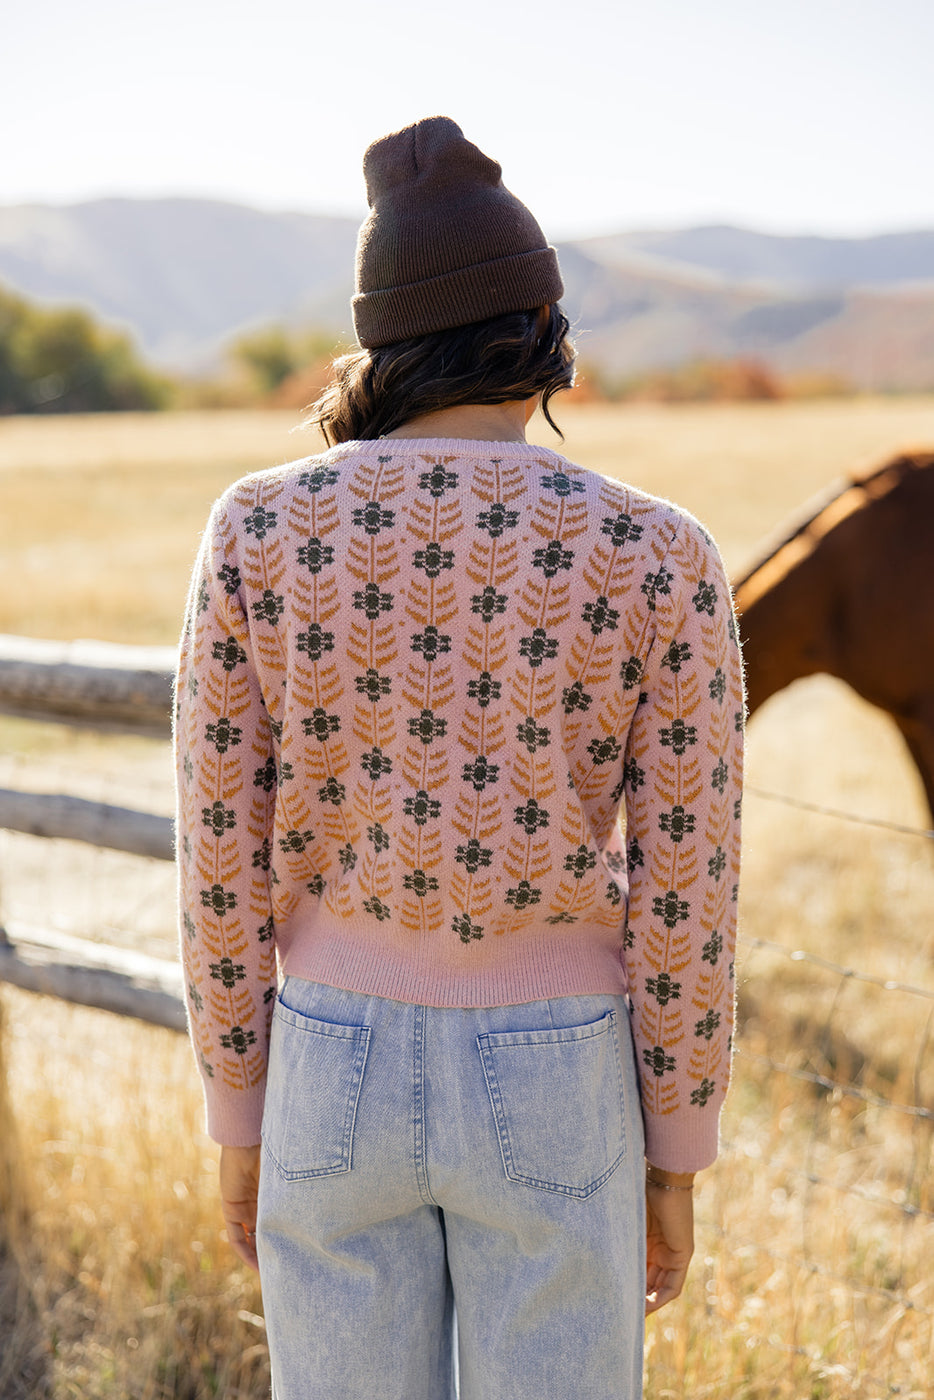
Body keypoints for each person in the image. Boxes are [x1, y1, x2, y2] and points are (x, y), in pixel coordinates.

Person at [175, 115, 744, 1400]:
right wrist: (675, 1147)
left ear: (383, 340)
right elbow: (688, 881)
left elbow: (219, 850)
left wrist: (237, 1108)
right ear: (541, 331)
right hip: (559, 1067)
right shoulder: (659, 550)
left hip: (328, 1058)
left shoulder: (259, 528)